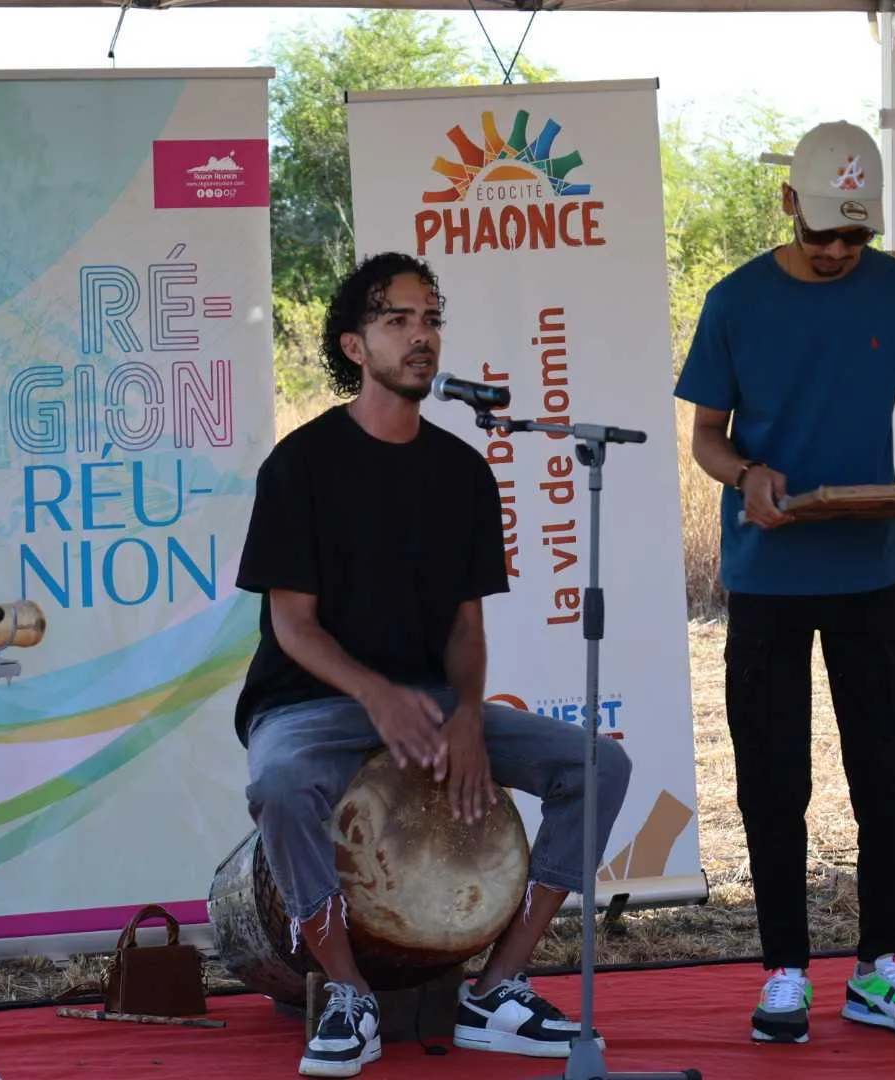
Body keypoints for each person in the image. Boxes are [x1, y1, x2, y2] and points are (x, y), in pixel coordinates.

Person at [233, 251, 634, 1077]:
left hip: (429, 702)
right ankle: (347, 994)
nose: (421, 336)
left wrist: (468, 715)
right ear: (354, 346)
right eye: (398, 320)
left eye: (430, 320)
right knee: (279, 782)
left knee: (599, 767)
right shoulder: (301, 465)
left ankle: (499, 986)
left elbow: (465, 627)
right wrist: (376, 695)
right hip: (311, 703)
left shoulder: (463, 472)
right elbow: (292, 626)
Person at [674, 121, 895, 1046]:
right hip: (768, 576)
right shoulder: (735, 302)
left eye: (857, 235)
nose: (839, 251)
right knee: (773, 780)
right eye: (823, 233)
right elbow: (707, 437)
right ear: (787, 205)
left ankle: (879, 965)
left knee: (884, 771)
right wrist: (746, 476)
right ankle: (784, 973)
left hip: (869, 573)